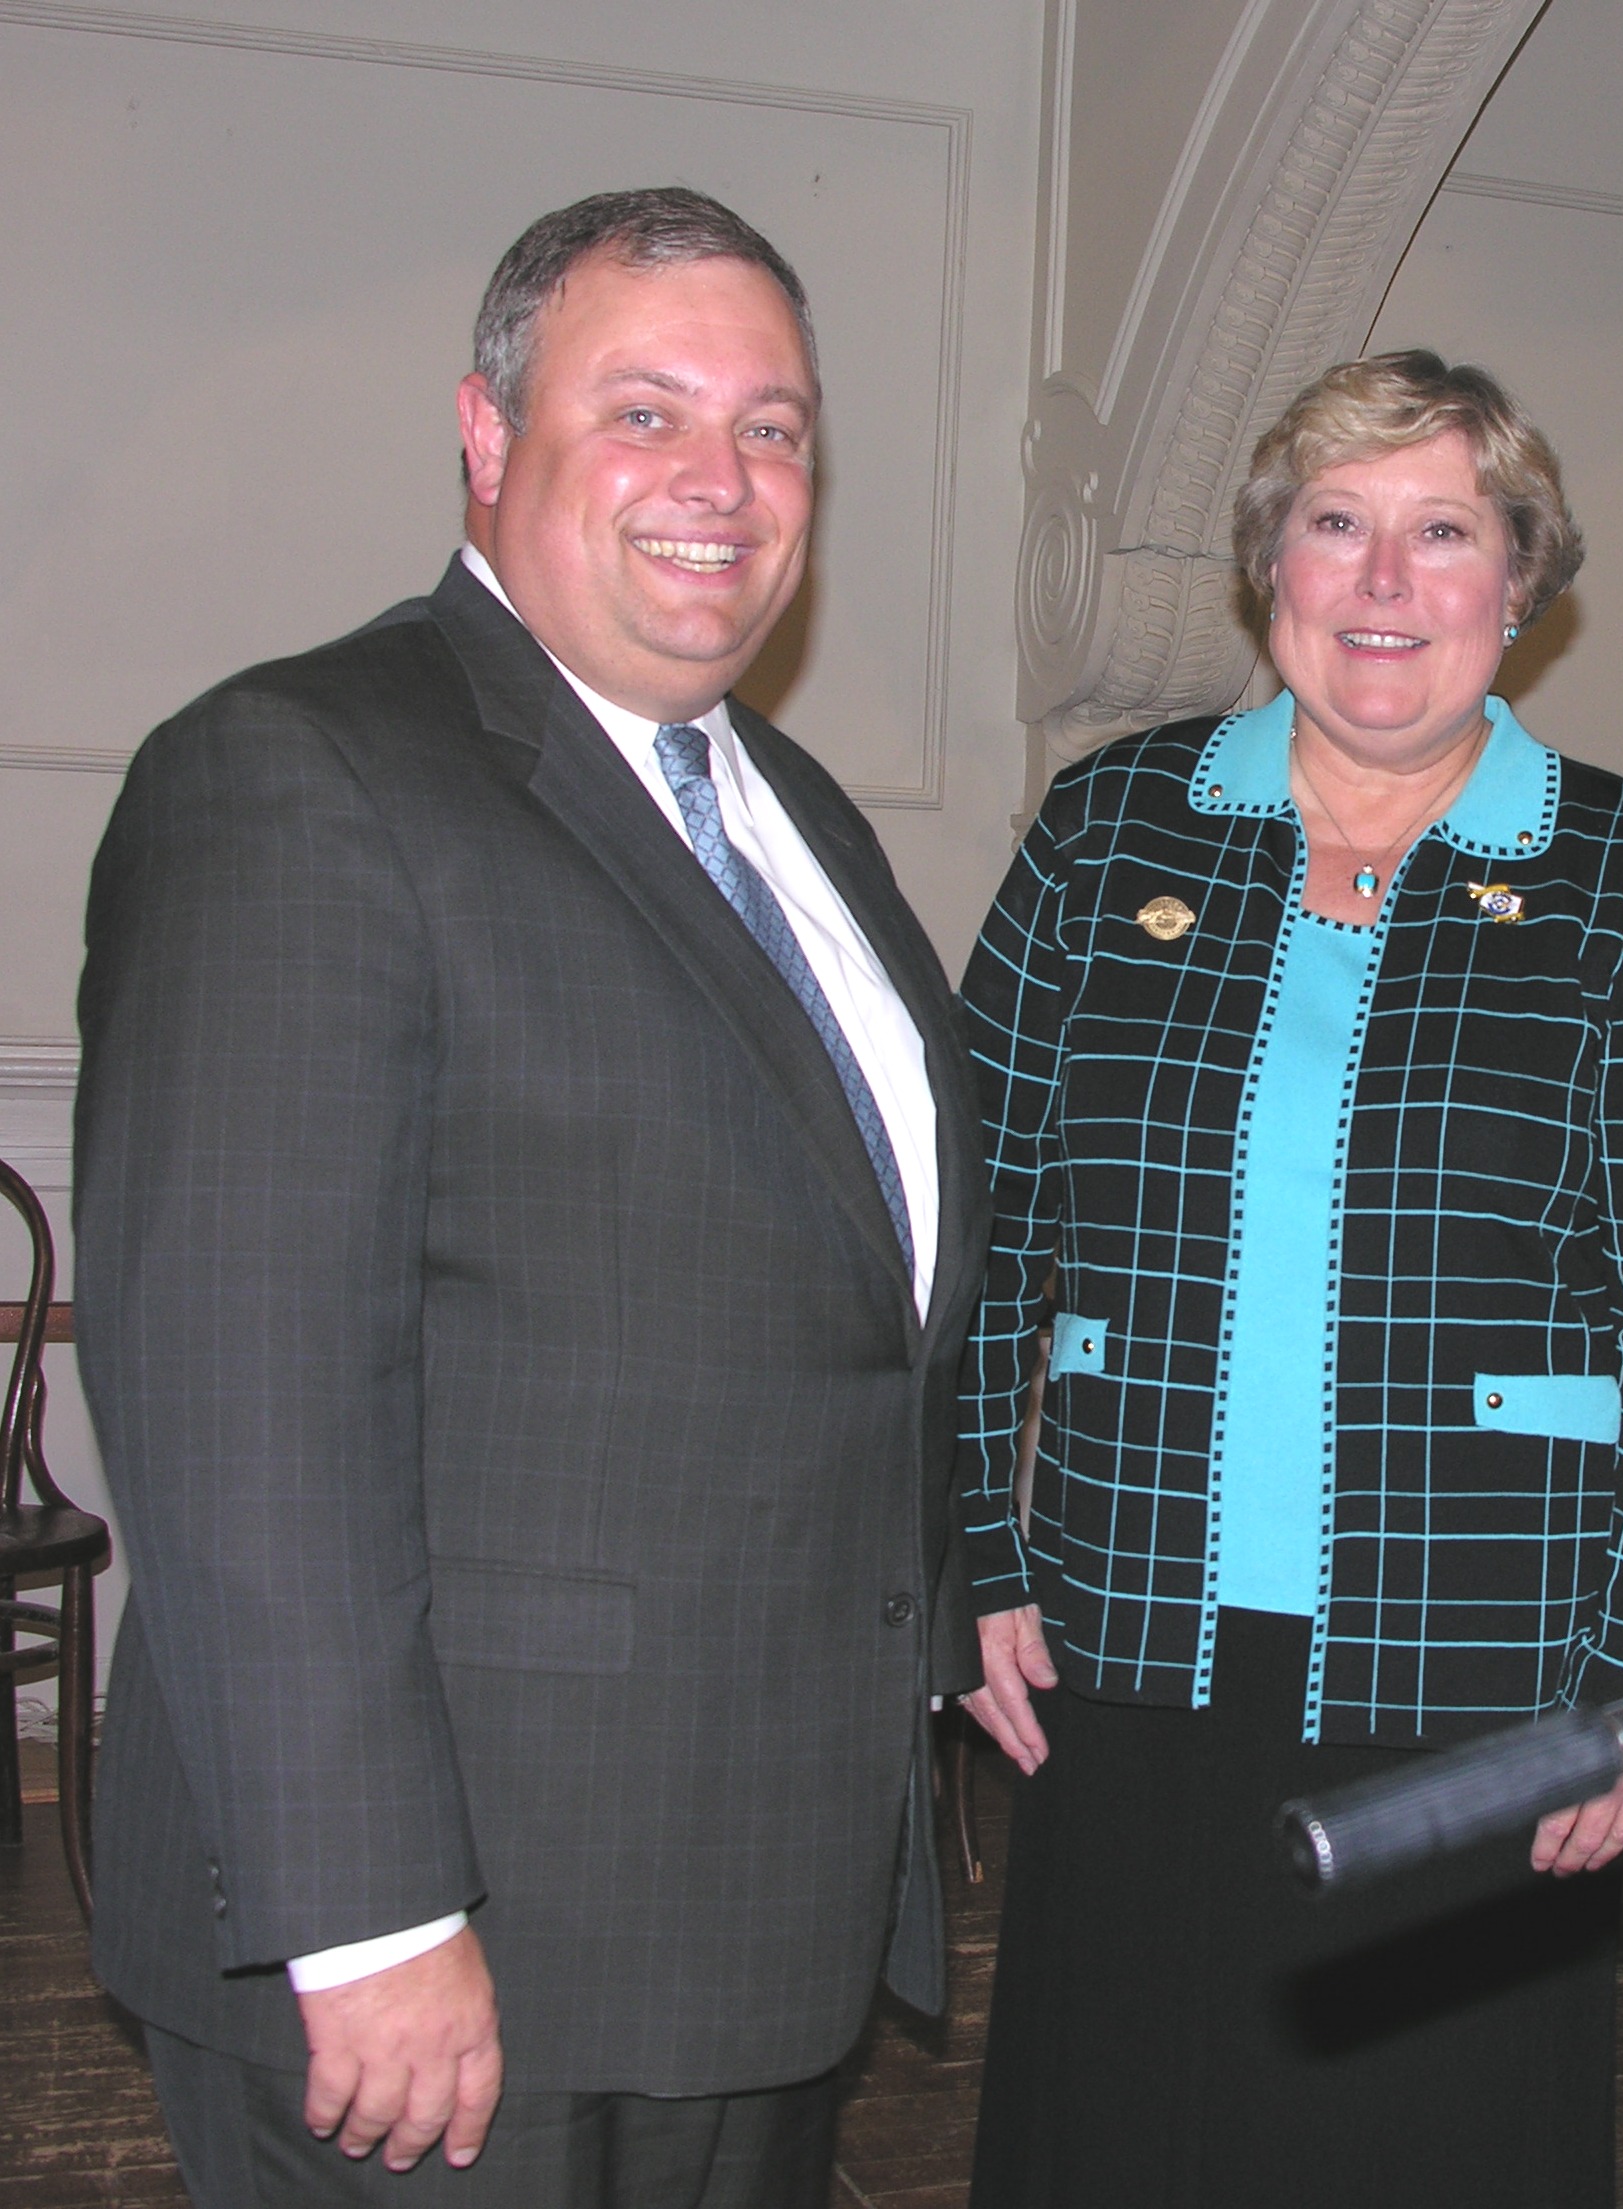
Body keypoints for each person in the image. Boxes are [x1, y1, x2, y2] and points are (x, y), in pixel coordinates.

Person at [74, 187, 987, 2208]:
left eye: (773, 427)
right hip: (452, 1952)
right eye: (643, 411)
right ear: (489, 441)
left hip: (742, 1921)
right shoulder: (302, 772)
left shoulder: (797, 817)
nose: (721, 481)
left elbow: (850, 1304)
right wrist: (368, 1917)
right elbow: (244, 1404)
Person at [953, 349, 1623, 2209]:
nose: (1385, 582)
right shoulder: (1108, 828)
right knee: (1124, 2130)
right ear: (1270, 567)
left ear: (1518, 585)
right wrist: (970, 1551)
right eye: (1337, 524)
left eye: (1442, 531)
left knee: (1420, 2149)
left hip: (1484, 1658)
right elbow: (976, 1221)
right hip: (1126, 1632)